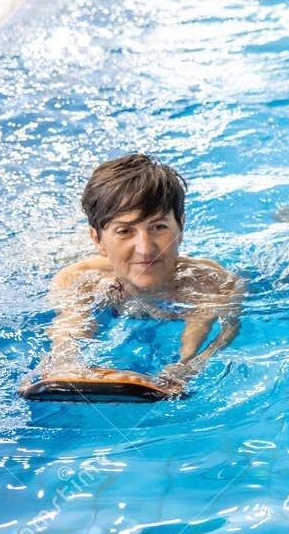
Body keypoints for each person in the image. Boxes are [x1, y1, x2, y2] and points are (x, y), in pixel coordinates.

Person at [45, 154, 244, 393]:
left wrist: (184, 366)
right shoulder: (80, 280)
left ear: (180, 227)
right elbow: (70, 326)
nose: (145, 248)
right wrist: (66, 363)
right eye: (125, 231)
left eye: (158, 227)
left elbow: (216, 331)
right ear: (97, 239)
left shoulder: (212, 283)